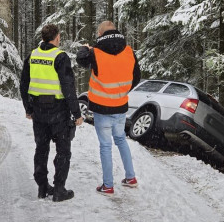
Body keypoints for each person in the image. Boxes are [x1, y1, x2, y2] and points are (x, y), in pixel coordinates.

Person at [20, 24, 83, 202]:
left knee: (41, 149)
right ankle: (59, 189)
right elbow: (68, 87)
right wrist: (76, 114)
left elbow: (24, 84)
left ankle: (42, 187)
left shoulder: (32, 55)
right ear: (57, 37)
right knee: (63, 151)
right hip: (58, 112)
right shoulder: (60, 57)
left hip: (39, 112)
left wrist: (28, 108)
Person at [77, 21, 141, 195]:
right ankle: (131, 177)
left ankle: (108, 185)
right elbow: (136, 77)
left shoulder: (95, 52)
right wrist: (121, 91)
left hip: (102, 108)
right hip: (120, 105)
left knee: (105, 145)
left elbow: (80, 59)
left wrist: (84, 48)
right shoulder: (129, 51)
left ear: (100, 33)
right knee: (120, 139)